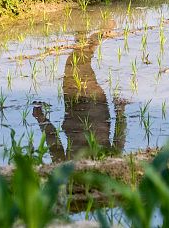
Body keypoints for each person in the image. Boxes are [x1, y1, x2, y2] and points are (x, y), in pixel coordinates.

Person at [31, 29, 127, 161]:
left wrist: (42, 120)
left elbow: (55, 148)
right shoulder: (106, 166)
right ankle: (91, 38)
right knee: (76, 66)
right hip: (94, 114)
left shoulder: (70, 171)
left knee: (74, 66)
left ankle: (88, 38)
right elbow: (118, 143)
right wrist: (120, 111)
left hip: (81, 115)